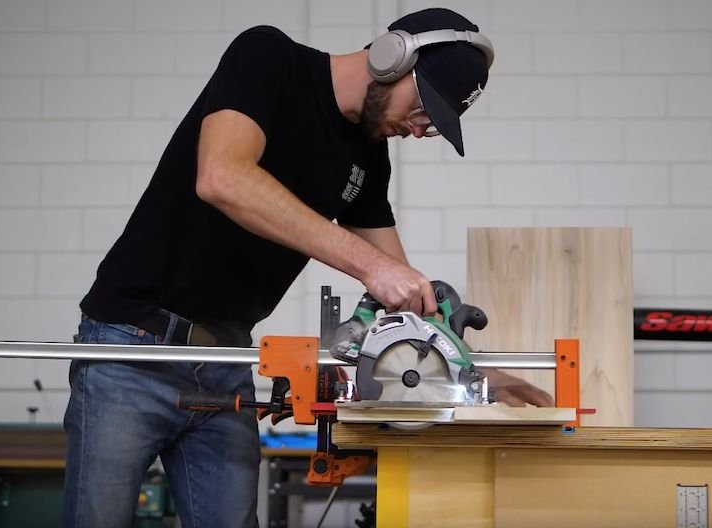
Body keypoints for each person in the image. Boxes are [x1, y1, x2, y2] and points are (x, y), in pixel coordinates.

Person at [63, 7, 552, 528]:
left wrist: (472, 376)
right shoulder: (269, 58)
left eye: (434, 124)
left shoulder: (369, 154)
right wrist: (369, 266)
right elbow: (222, 177)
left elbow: (405, 295)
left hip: (225, 357)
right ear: (393, 57)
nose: (419, 128)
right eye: (423, 107)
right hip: (131, 345)